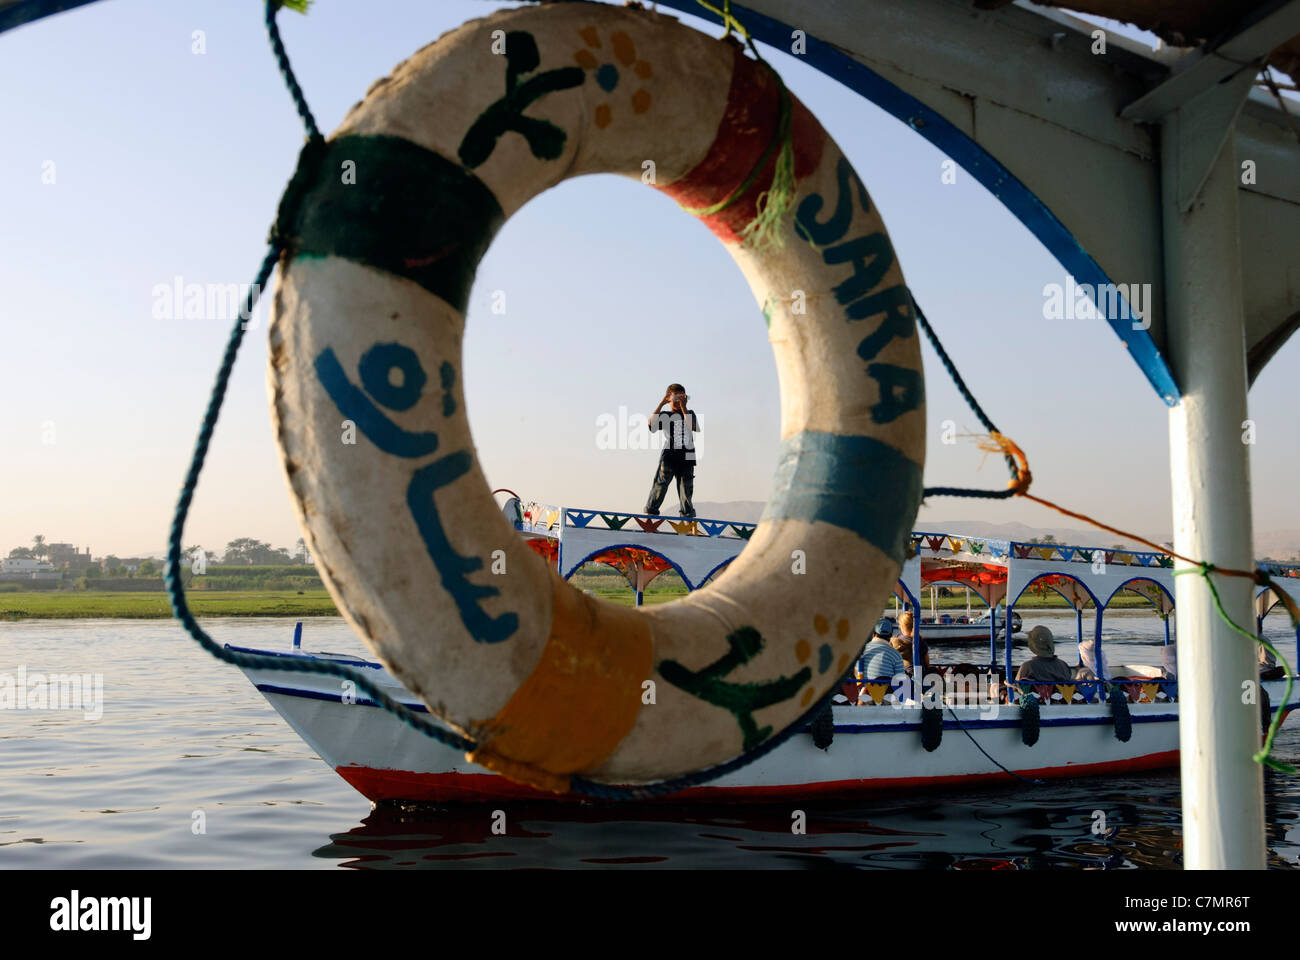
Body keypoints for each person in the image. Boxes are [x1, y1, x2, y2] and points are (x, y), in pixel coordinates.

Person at [644, 383, 700, 517]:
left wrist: (683, 407)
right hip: (669, 456)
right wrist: (662, 403)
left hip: (687, 456)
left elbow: (692, 426)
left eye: (681, 397)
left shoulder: (689, 413)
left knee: (686, 490)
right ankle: (650, 518)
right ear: (669, 397)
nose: (677, 401)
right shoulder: (665, 414)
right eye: (675, 398)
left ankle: (688, 521)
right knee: (660, 486)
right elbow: (651, 425)